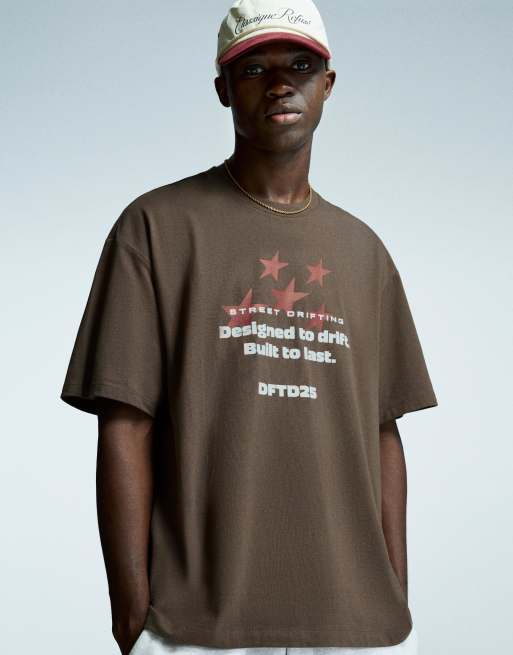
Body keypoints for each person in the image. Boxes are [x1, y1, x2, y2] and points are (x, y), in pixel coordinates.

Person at [60, 1, 438, 654]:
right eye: (254, 69)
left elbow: (383, 431)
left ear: (328, 84)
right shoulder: (155, 228)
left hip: (350, 623)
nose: (280, 83)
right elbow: (125, 422)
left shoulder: (363, 251)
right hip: (197, 624)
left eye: (300, 66)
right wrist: (130, 612)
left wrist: (394, 593)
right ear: (223, 89)